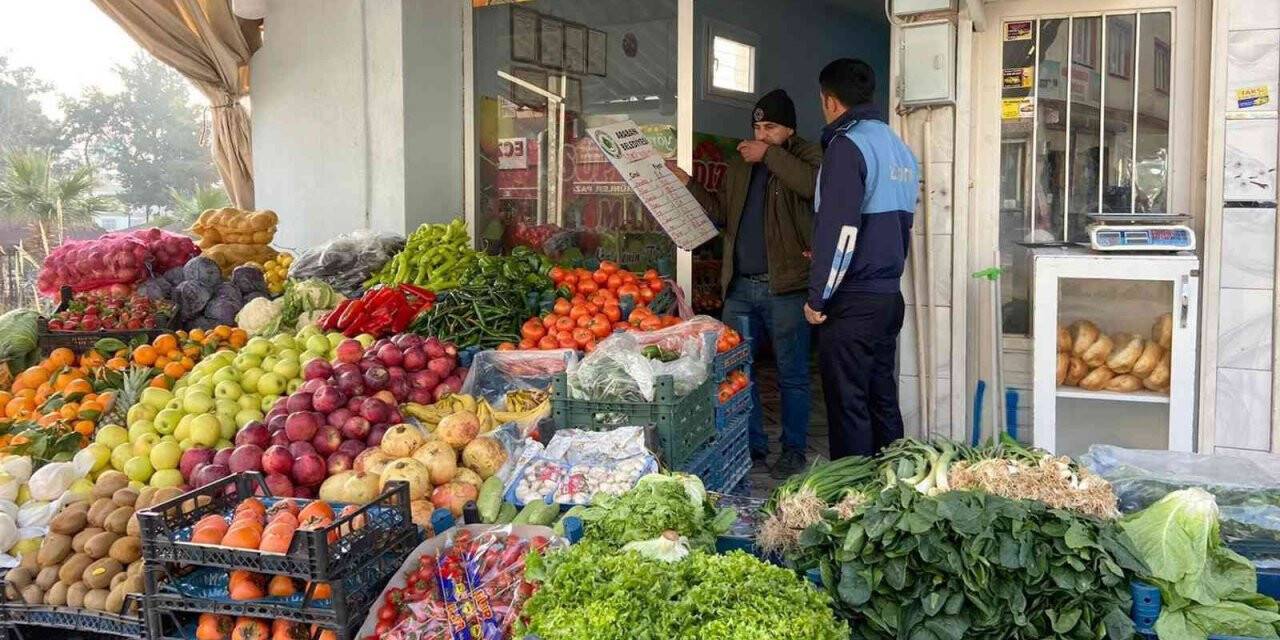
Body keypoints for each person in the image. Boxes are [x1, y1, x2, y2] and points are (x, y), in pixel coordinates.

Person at [671, 89, 822, 477]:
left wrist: (770, 156)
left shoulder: (808, 156)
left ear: (789, 129)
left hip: (786, 286)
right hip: (739, 288)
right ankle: (751, 444)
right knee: (739, 371)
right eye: (757, 127)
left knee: (792, 374)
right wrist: (689, 183)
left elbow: (812, 187)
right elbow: (721, 213)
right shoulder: (741, 165)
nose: (761, 134)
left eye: (770, 127)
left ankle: (792, 451)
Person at [805, 59, 919, 459]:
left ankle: (851, 498)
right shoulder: (900, 149)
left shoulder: (846, 146)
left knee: (848, 404)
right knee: (881, 397)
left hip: (853, 300)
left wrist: (818, 297)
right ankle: (893, 488)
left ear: (830, 100)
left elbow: (842, 233)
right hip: (888, 297)